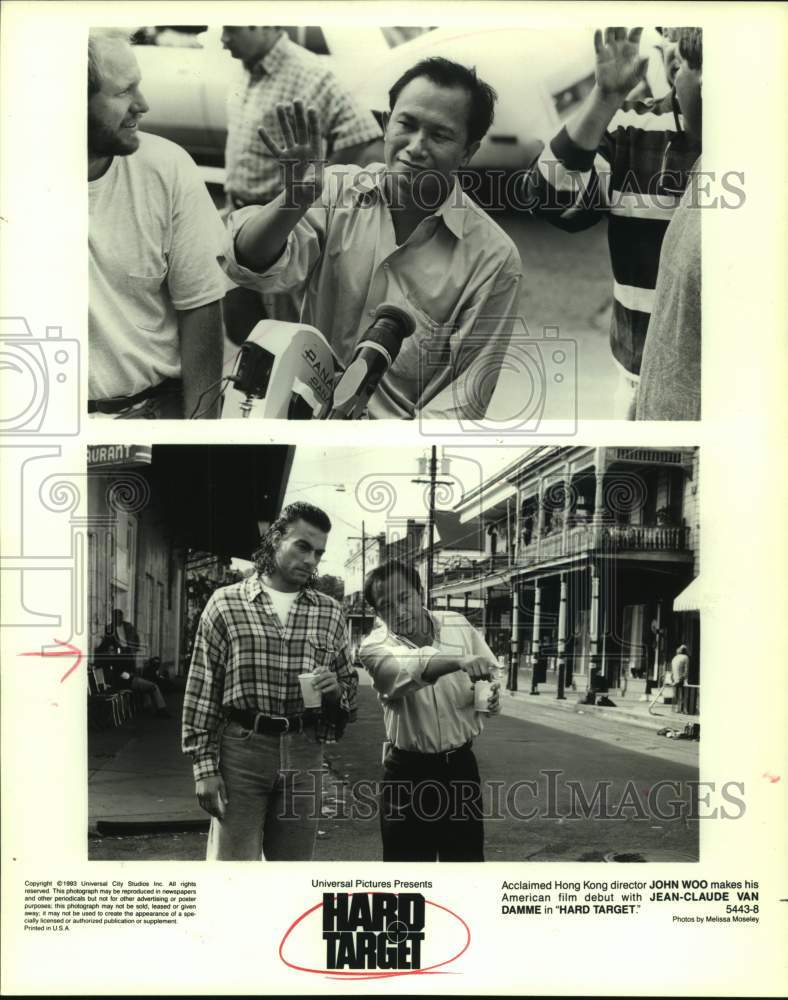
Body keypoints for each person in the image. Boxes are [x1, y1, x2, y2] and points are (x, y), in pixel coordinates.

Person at [220, 57, 522, 419]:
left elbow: (462, 403)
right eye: (406, 125)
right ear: (385, 124)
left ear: (468, 152)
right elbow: (247, 267)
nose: (415, 146)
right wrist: (294, 199)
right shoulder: (335, 191)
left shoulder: (494, 259)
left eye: (440, 135)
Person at [520, 26, 701, 419]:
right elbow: (547, 199)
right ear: (674, 67)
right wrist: (604, 99)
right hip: (641, 373)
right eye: (699, 64)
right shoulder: (632, 130)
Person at [182, 502, 358, 860]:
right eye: (303, 547)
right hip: (242, 752)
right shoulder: (225, 604)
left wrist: (335, 692)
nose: (311, 560)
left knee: (293, 874)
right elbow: (202, 691)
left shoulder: (329, 611)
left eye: (319, 553)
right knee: (233, 872)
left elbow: (349, 687)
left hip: (305, 750)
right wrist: (204, 769)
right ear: (275, 539)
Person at [88, 29, 228, 419]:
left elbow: (201, 306)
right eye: (123, 92)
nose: (143, 105)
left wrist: (201, 435)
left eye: (140, 87)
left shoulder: (166, 167)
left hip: (150, 412)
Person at [220, 26, 383, 343]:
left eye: (231, 30)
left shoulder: (309, 73)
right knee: (243, 332)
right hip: (240, 221)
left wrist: (310, 194)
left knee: (286, 342)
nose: (223, 40)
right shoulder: (246, 68)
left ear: (264, 25)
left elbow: (361, 132)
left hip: (284, 233)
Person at [358, 560, 501, 862]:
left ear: (420, 592)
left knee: (465, 868)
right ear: (377, 612)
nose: (399, 611)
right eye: (386, 606)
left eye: (405, 598)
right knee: (407, 876)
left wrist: (491, 696)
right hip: (407, 774)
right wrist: (459, 661)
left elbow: (488, 672)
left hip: (460, 768)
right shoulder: (373, 647)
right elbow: (409, 668)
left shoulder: (457, 623)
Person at [636, 28, 702, 420]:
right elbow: (543, 196)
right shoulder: (631, 122)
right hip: (640, 376)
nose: (673, 72)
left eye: (682, 62)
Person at [94, 609, 171, 717]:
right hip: (124, 676)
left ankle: (148, 707)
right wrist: (129, 674)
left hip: (126, 670)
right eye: (116, 617)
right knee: (149, 685)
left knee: (146, 683)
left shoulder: (128, 627)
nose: (119, 619)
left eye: (120, 617)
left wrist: (134, 650)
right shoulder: (110, 631)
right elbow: (120, 672)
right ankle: (159, 709)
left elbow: (135, 640)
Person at [670, 644, 691, 714]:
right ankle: (684, 710)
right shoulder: (686, 657)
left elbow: (672, 671)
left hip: (675, 679)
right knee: (684, 695)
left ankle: (677, 709)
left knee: (677, 695)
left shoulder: (674, 658)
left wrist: (673, 679)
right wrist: (684, 678)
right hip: (681, 679)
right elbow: (686, 670)